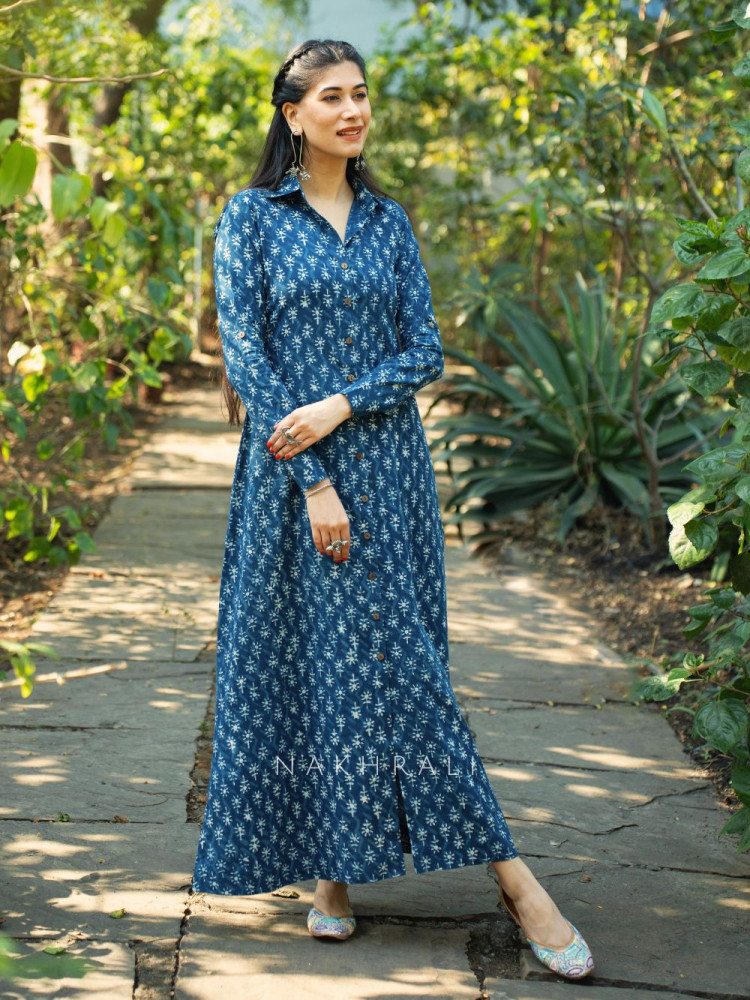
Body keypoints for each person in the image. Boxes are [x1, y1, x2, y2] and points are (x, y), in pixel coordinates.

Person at [192, 38, 594, 979]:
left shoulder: (389, 222)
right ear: (292, 116)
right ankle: (468, 878)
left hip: (392, 478)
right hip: (295, 485)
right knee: (318, 668)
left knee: (404, 669)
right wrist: (316, 476)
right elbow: (248, 361)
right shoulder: (250, 217)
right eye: (330, 96)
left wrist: (342, 401)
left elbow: (425, 353)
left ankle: (399, 874)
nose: (352, 110)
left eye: (361, 94)